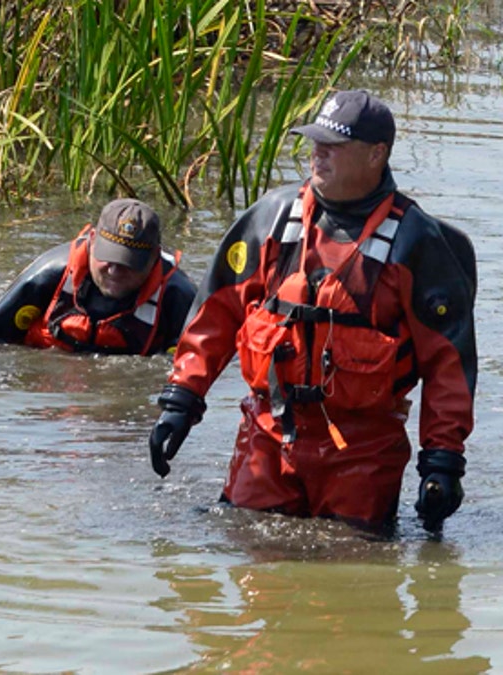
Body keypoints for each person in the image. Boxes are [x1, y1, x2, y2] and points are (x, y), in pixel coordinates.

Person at [147, 89, 476, 532]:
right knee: (251, 570)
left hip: (364, 451)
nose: (317, 154)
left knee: (352, 579)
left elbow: (447, 364)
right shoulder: (273, 219)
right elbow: (217, 314)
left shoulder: (417, 243)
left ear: (377, 154)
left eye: (334, 146)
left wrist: (442, 462)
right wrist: (180, 404)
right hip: (267, 435)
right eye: (315, 143)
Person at [0, 198, 196, 355]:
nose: (113, 271)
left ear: (154, 257)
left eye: (128, 264)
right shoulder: (49, 274)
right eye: (107, 258)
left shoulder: (178, 297)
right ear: (92, 240)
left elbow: (191, 370)